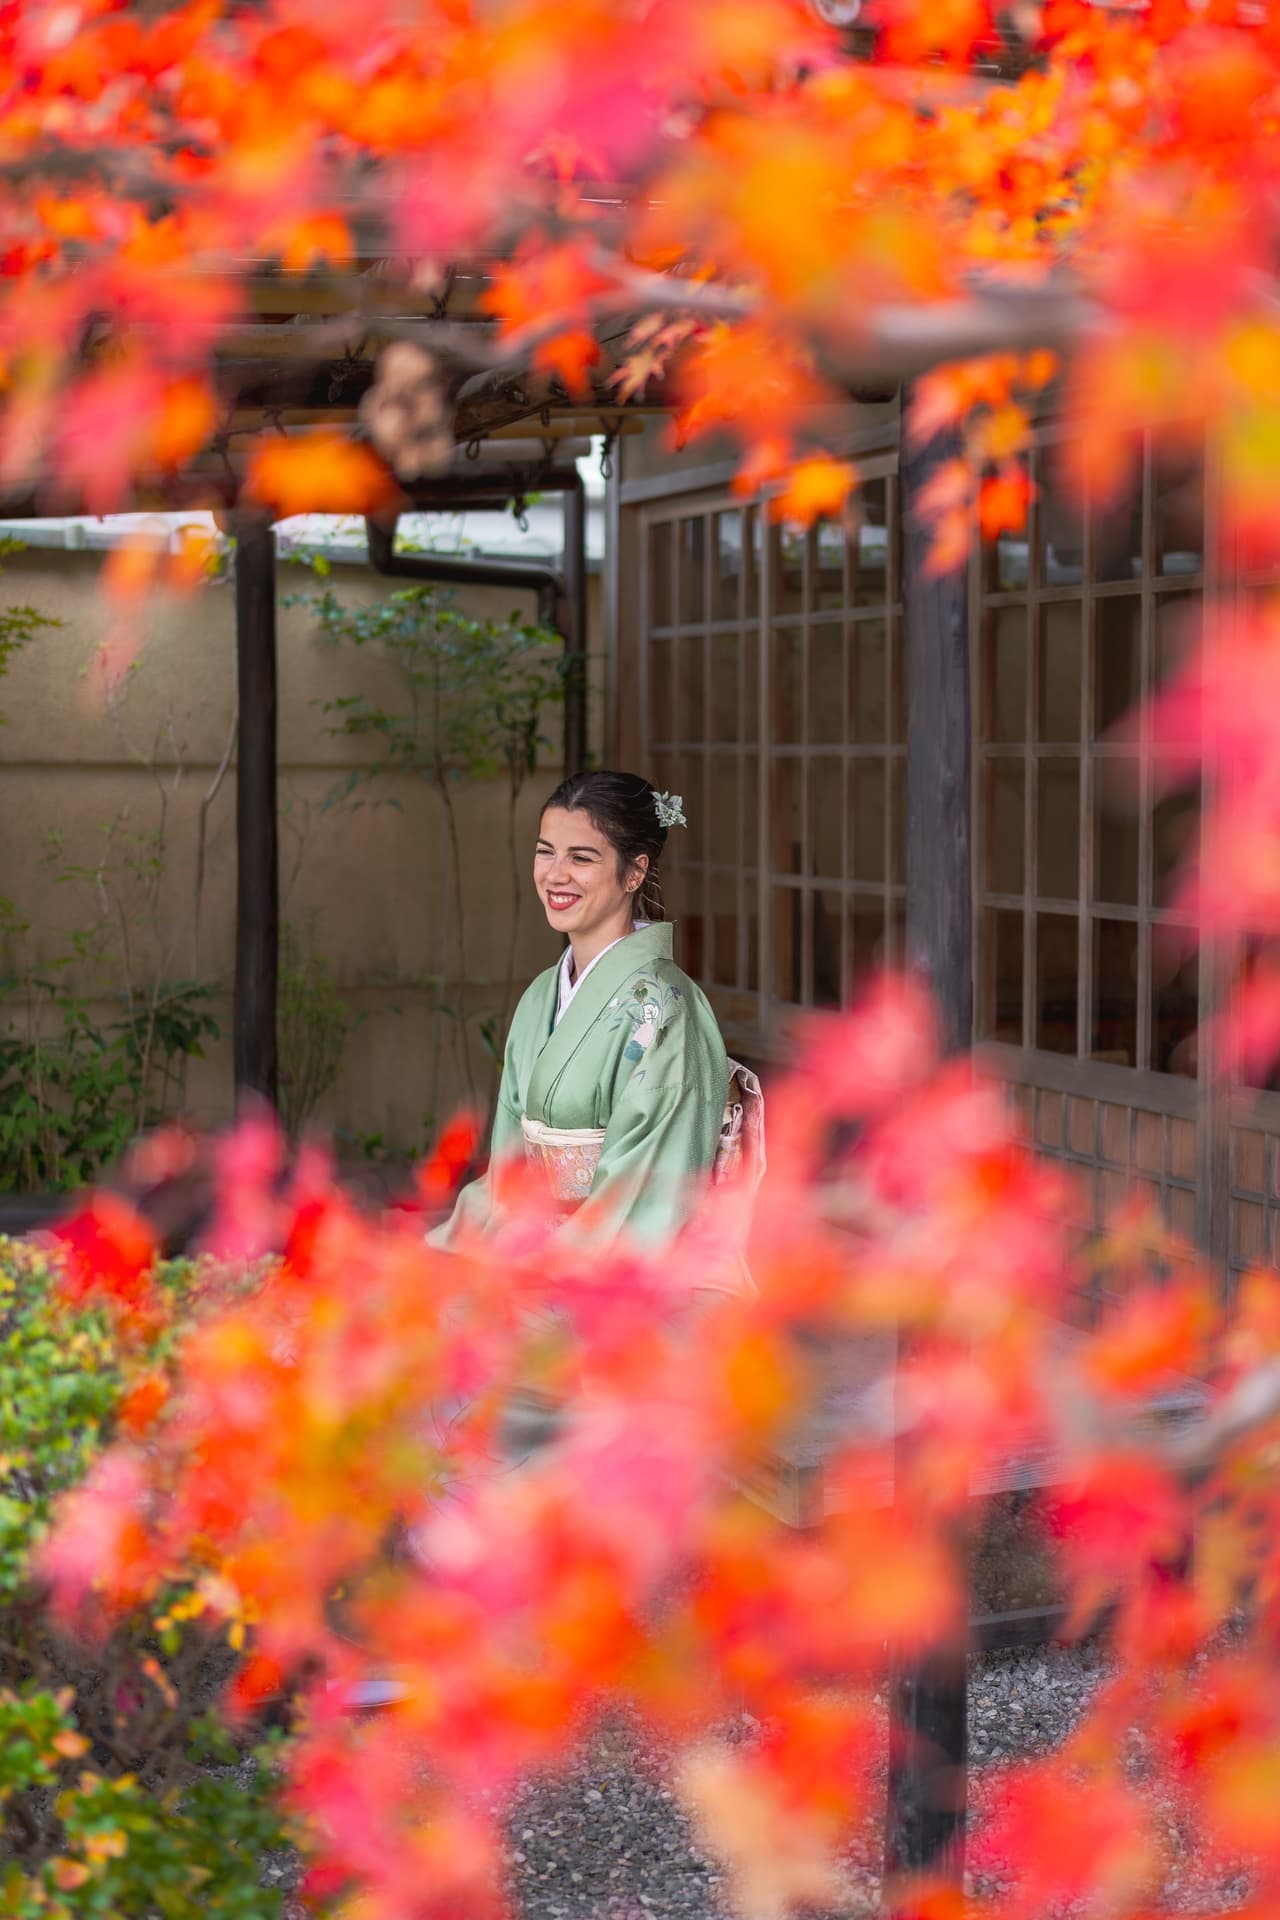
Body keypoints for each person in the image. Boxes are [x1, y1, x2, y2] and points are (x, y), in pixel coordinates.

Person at [429, 769, 763, 1260]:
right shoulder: (541, 996)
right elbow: (506, 1178)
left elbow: (647, 1207)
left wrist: (538, 1270)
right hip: (535, 1256)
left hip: (627, 1272)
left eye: (581, 858)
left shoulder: (667, 1011)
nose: (556, 874)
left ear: (634, 872)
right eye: (546, 852)